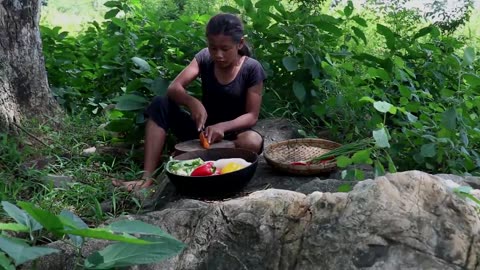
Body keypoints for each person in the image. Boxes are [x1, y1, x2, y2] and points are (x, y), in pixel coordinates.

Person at [112, 13, 267, 191]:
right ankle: (147, 179)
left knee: (252, 140)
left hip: (233, 136)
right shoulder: (204, 58)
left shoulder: (251, 68)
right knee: (160, 103)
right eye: (213, 48)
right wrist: (192, 102)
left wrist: (222, 127)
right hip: (201, 133)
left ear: (240, 43)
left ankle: (217, 163)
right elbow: (174, 87)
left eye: (225, 49)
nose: (218, 55)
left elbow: (252, 116)